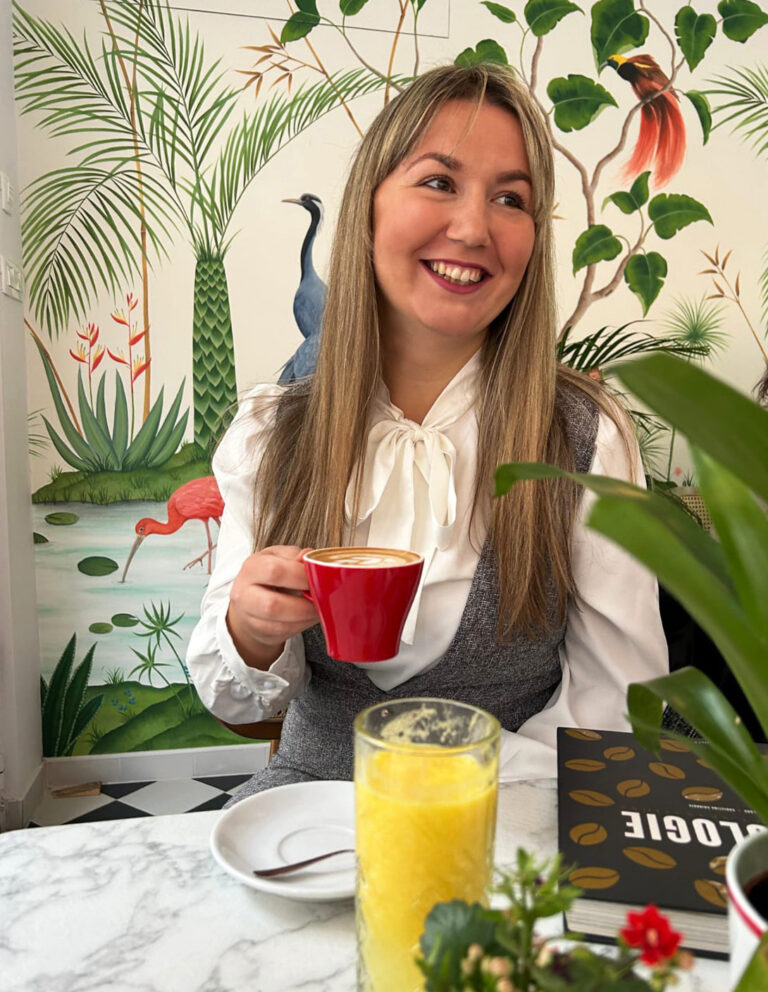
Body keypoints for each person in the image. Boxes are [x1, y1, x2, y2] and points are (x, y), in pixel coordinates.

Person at [187, 63, 668, 800]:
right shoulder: (268, 432)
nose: (473, 228)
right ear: (369, 206)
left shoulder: (588, 438)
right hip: (308, 808)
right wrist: (250, 631)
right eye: (439, 182)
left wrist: (443, 798)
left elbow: (617, 706)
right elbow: (238, 705)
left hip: (507, 808)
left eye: (510, 199)